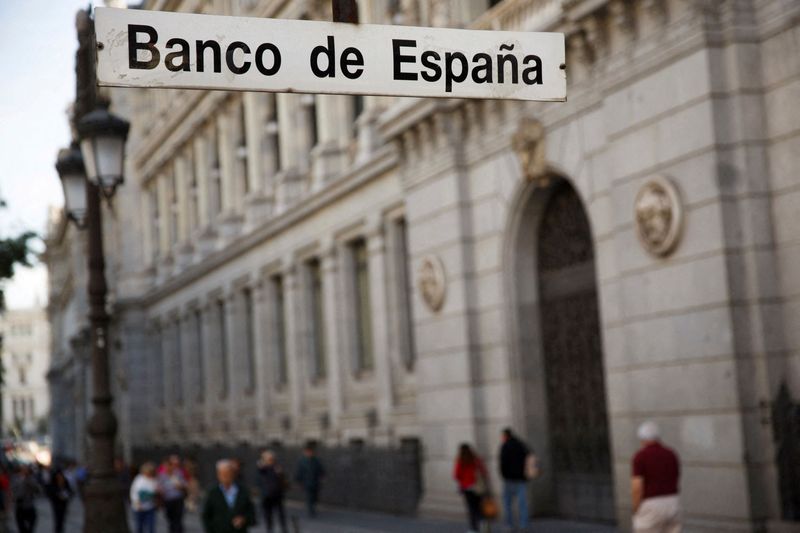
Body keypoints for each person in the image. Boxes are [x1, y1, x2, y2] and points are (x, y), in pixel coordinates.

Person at [632, 421, 681, 533]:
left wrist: (636, 508)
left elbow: (637, 488)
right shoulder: (671, 454)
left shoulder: (640, 457)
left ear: (642, 439)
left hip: (651, 504)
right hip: (673, 502)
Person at [202, 459, 256, 533]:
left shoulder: (243, 491)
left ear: (233, 474)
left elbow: (252, 514)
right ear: (218, 475)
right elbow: (206, 516)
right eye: (223, 474)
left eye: (228, 474)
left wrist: (244, 519)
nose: (226, 477)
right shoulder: (212, 493)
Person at [499, 427, 531, 529]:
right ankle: (524, 525)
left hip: (509, 479)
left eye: (502, 436)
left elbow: (503, 463)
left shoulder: (505, 446)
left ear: (505, 436)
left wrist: (504, 475)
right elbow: (530, 457)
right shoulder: (521, 445)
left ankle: (509, 525)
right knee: (523, 504)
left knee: (507, 504)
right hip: (521, 479)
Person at [453, 443, 489, 533]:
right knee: (479, 507)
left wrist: (464, 479)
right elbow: (484, 472)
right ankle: (483, 524)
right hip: (478, 487)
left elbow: (456, 475)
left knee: (471, 509)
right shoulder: (476, 459)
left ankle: (473, 529)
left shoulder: (460, 460)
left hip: (467, 488)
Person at [257, 450, 288, 533]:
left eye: (272, 459)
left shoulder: (277, 468)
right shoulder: (262, 468)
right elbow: (259, 468)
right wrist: (263, 459)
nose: (271, 461)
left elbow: (283, 479)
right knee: (268, 514)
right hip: (267, 495)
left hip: (277, 494)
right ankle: (269, 529)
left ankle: (284, 528)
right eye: (269, 459)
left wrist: (280, 474)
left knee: (281, 513)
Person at [294, 443, 325, 518]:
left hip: (315, 482)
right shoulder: (302, 461)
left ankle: (312, 507)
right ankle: (311, 511)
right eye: (307, 452)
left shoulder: (316, 460)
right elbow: (299, 471)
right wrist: (298, 481)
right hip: (306, 482)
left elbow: (321, 470)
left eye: (310, 452)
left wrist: (322, 477)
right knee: (309, 496)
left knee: (315, 496)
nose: (309, 453)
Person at [159, 455, 188, 533]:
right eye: (165, 466)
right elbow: (159, 486)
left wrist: (181, 485)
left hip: (178, 499)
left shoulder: (177, 473)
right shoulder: (162, 476)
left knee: (178, 520)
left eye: (168, 466)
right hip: (168, 500)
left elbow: (185, 484)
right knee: (170, 520)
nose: (166, 468)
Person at [130, 462, 159, 533]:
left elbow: (155, 491)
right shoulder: (139, 479)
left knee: (151, 527)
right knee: (139, 527)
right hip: (139, 507)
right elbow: (134, 492)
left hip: (150, 506)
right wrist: (136, 502)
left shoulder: (154, 480)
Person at [12, 465, 40, 533]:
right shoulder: (16, 478)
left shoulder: (32, 479)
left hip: (29, 506)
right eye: (23, 469)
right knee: (21, 528)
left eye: (26, 469)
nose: (25, 471)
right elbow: (14, 491)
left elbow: (38, 490)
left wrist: (29, 480)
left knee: (31, 527)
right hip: (20, 506)